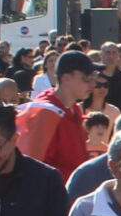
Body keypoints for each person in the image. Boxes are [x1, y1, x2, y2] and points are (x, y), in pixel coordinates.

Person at [15, 50, 98, 178]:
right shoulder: (45, 113)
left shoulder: (74, 108)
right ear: (66, 78)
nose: (93, 84)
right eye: (86, 78)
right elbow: (34, 168)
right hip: (55, 194)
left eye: (93, 77)